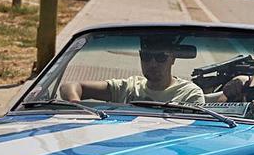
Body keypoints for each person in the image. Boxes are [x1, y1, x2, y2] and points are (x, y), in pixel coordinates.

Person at [59, 35, 205, 104]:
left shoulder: (190, 94)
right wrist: (75, 102)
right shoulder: (128, 87)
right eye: (146, 57)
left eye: (161, 57)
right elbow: (70, 86)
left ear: (172, 59)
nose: (152, 64)